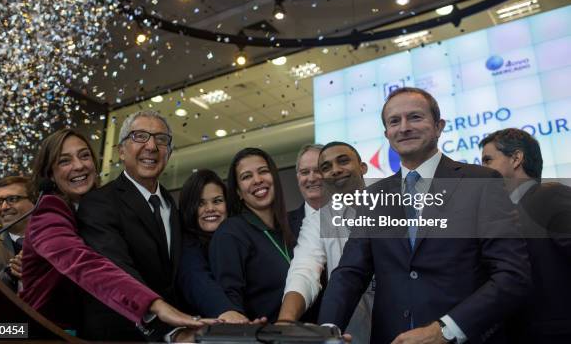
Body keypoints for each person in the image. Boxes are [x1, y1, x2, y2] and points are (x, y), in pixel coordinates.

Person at [318, 87, 531, 344]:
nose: (404, 127)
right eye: (394, 121)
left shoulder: (482, 182)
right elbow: (350, 272)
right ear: (387, 134)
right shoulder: (373, 197)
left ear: (439, 126)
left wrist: (445, 330)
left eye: (415, 117)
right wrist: (327, 330)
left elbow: (512, 275)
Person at [21, 128, 204, 340]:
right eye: (64, 161)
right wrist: (156, 306)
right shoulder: (49, 211)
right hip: (39, 331)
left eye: (84, 155)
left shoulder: (102, 207)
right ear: (50, 173)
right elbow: (83, 263)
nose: (79, 165)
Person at [77, 111, 209, 341]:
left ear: (169, 153)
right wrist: (172, 333)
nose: (151, 146)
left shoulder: (172, 206)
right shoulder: (98, 203)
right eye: (139, 136)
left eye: (161, 139)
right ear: (121, 151)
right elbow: (118, 274)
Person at [480, 128, 571, 344]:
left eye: (488, 160)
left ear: (516, 159)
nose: (481, 170)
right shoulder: (503, 213)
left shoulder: (549, 195)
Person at [279, 142, 374, 342]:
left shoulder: (392, 203)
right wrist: (285, 323)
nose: (335, 170)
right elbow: (303, 270)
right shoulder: (319, 220)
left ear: (363, 167)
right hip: (353, 332)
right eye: (327, 167)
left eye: (343, 161)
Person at [209, 148, 294, 321]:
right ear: (239, 192)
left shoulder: (294, 226)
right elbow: (230, 298)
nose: (257, 180)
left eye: (263, 171)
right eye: (246, 176)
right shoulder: (231, 233)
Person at [177, 169, 248, 322]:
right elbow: (196, 279)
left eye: (217, 201)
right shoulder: (187, 244)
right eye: (200, 203)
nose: (210, 208)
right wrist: (226, 312)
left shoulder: (241, 237)